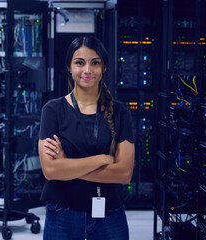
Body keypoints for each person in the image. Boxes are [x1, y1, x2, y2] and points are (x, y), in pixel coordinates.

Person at [38, 35, 135, 240]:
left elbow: (124, 173)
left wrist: (67, 166)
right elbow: (51, 170)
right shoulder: (53, 110)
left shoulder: (120, 112)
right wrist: (101, 160)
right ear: (69, 67)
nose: (87, 70)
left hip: (109, 214)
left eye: (95, 63)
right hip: (62, 214)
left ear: (104, 68)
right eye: (80, 63)